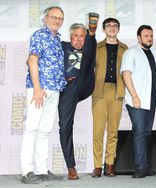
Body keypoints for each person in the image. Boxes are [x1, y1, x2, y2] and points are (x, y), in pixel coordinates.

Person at [20, 6, 66, 184]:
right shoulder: (39, 35)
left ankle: (41, 170)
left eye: (60, 18)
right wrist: (38, 88)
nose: (57, 21)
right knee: (32, 128)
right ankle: (27, 171)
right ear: (46, 18)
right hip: (39, 89)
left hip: (54, 90)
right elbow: (32, 60)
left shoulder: (57, 39)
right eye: (54, 17)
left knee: (45, 131)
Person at [58, 13, 98, 180]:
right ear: (70, 37)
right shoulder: (62, 46)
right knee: (65, 126)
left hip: (84, 84)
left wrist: (90, 37)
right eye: (76, 36)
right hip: (66, 89)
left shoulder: (88, 47)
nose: (79, 39)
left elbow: (89, 51)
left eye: (83, 36)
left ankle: (93, 31)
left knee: (89, 52)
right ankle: (71, 167)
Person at [121, 25, 156, 178]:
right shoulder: (130, 52)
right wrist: (134, 96)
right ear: (139, 38)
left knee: (146, 132)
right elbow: (126, 74)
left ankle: (145, 166)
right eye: (146, 36)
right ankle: (139, 168)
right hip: (137, 99)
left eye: (151, 35)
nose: (149, 38)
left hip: (151, 98)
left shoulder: (154, 53)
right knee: (139, 132)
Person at [91, 17, 128, 178]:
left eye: (115, 26)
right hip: (99, 91)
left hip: (117, 91)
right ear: (104, 29)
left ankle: (110, 165)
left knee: (113, 131)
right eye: (108, 26)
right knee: (98, 131)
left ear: (118, 29)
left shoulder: (125, 49)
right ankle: (97, 166)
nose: (112, 28)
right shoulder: (96, 48)